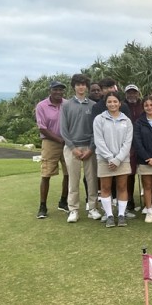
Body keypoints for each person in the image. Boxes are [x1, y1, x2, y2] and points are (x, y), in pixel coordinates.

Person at [60, 74, 101, 223]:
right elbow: (63, 130)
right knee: (73, 180)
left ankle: (93, 208)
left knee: (92, 180)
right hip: (72, 148)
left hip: (89, 147)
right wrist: (72, 148)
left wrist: (90, 148)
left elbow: (96, 130)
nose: (81, 87)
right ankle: (73, 210)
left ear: (87, 86)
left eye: (83, 84)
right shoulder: (66, 105)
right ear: (74, 87)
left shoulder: (92, 105)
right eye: (78, 84)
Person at [93, 93, 133, 227]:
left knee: (122, 187)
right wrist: (110, 158)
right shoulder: (99, 119)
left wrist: (118, 159)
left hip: (122, 159)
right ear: (106, 103)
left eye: (115, 101)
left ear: (120, 103)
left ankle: (121, 215)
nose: (112, 104)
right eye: (109, 102)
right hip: (105, 159)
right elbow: (98, 140)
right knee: (105, 187)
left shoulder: (126, 120)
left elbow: (128, 142)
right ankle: (109, 215)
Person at [35, 80, 69, 218]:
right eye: (56, 89)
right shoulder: (41, 106)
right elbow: (42, 127)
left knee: (69, 173)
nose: (58, 92)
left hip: (67, 142)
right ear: (50, 90)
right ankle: (42, 206)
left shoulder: (67, 104)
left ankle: (63, 201)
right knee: (46, 174)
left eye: (61, 89)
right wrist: (59, 139)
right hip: (50, 142)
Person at [123, 84, 143, 215]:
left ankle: (149, 200)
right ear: (125, 95)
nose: (132, 95)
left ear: (138, 93)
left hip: (143, 141)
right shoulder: (122, 106)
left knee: (146, 172)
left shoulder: (143, 104)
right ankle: (129, 199)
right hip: (128, 143)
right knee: (129, 174)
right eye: (129, 93)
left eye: (134, 92)